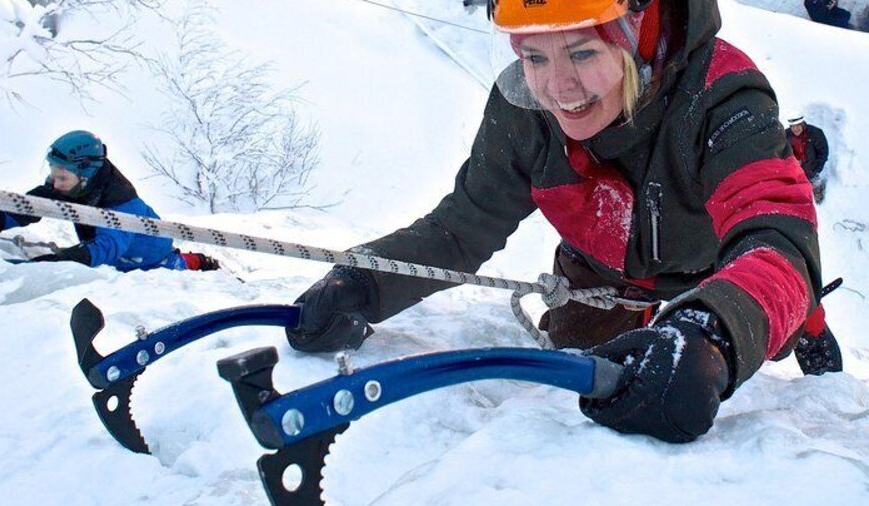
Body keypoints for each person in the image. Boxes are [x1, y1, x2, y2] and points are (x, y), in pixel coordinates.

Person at [287, 0, 833, 443]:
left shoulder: (722, 94)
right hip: (601, 269)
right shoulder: (523, 113)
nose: (558, 88)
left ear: (636, 32)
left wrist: (712, 334)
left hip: (719, 267)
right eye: (535, 58)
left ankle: (807, 326)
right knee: (581, 360)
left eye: (581, 51)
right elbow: (460, 229)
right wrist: (363, 282)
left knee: (758, 321)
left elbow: (777, 236)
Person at [0, 130, 219, 272]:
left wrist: (53, 263)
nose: (54, 183)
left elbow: (107, 249)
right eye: (53, 174)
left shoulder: (122, 203)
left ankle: (199, 261)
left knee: (175, 266)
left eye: (61, 176)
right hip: (126, 253)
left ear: (85, 173)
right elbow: (27, 208)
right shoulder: (71, 184)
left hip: (149, 261)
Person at [785, 113, 830, 204]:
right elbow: (783, 151)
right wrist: (792, 160)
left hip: (811, 164)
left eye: (798, 125)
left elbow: (823, 152)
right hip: (795, 164)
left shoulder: (815, 133)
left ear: (803, 124)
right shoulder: (786, 135)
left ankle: (818, 189)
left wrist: (817, 168)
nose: (795, 129)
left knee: (813, 178)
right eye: (793, 126)